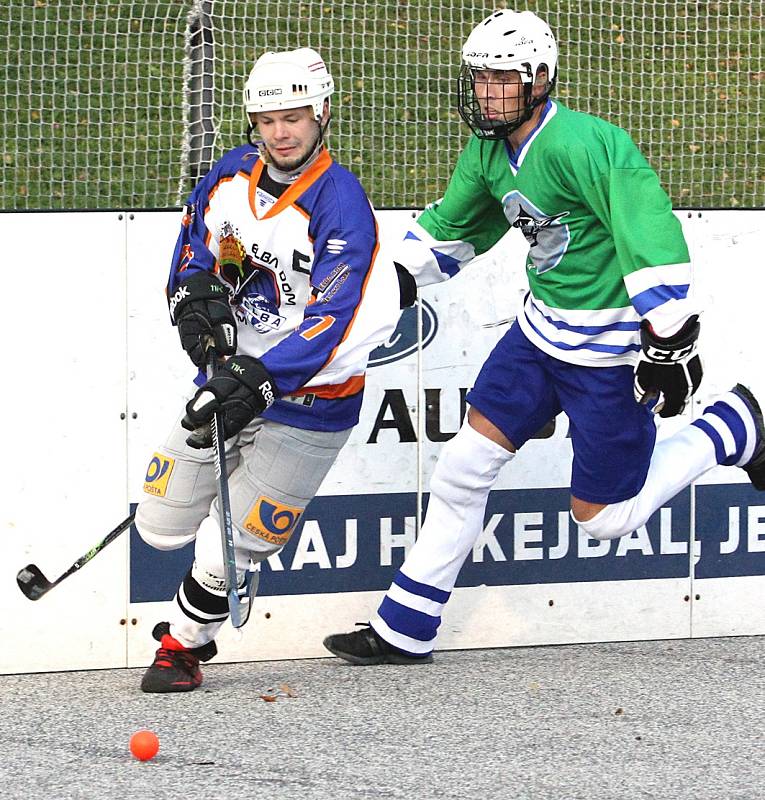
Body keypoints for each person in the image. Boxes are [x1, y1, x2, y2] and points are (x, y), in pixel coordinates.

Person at [323, 9, 765, 665]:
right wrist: (378, 285)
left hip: (608, 359)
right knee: (462, 469)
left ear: (539, 79)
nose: (485, 92)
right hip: (536, 339)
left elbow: (646, 231)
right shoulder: (487, 149)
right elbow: (452, 229)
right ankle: (404, 628)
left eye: (500, 79)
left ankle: (731, 425)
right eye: (478, 78)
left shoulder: (587, 145)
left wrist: (667, 339)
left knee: (605, 519)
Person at [135, 47, 404, 692]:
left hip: (311, 405)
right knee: (159, 521)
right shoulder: (230, 175)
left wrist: (261, 378)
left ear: (322, 114)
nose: (281, 133)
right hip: (230, 382)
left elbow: (331, 317)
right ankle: (194, 609)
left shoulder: (342, 204)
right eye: (267, 119)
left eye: (295, 117)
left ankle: (183, 646)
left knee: (231, 548)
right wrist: (195, 314)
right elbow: (192, 256)